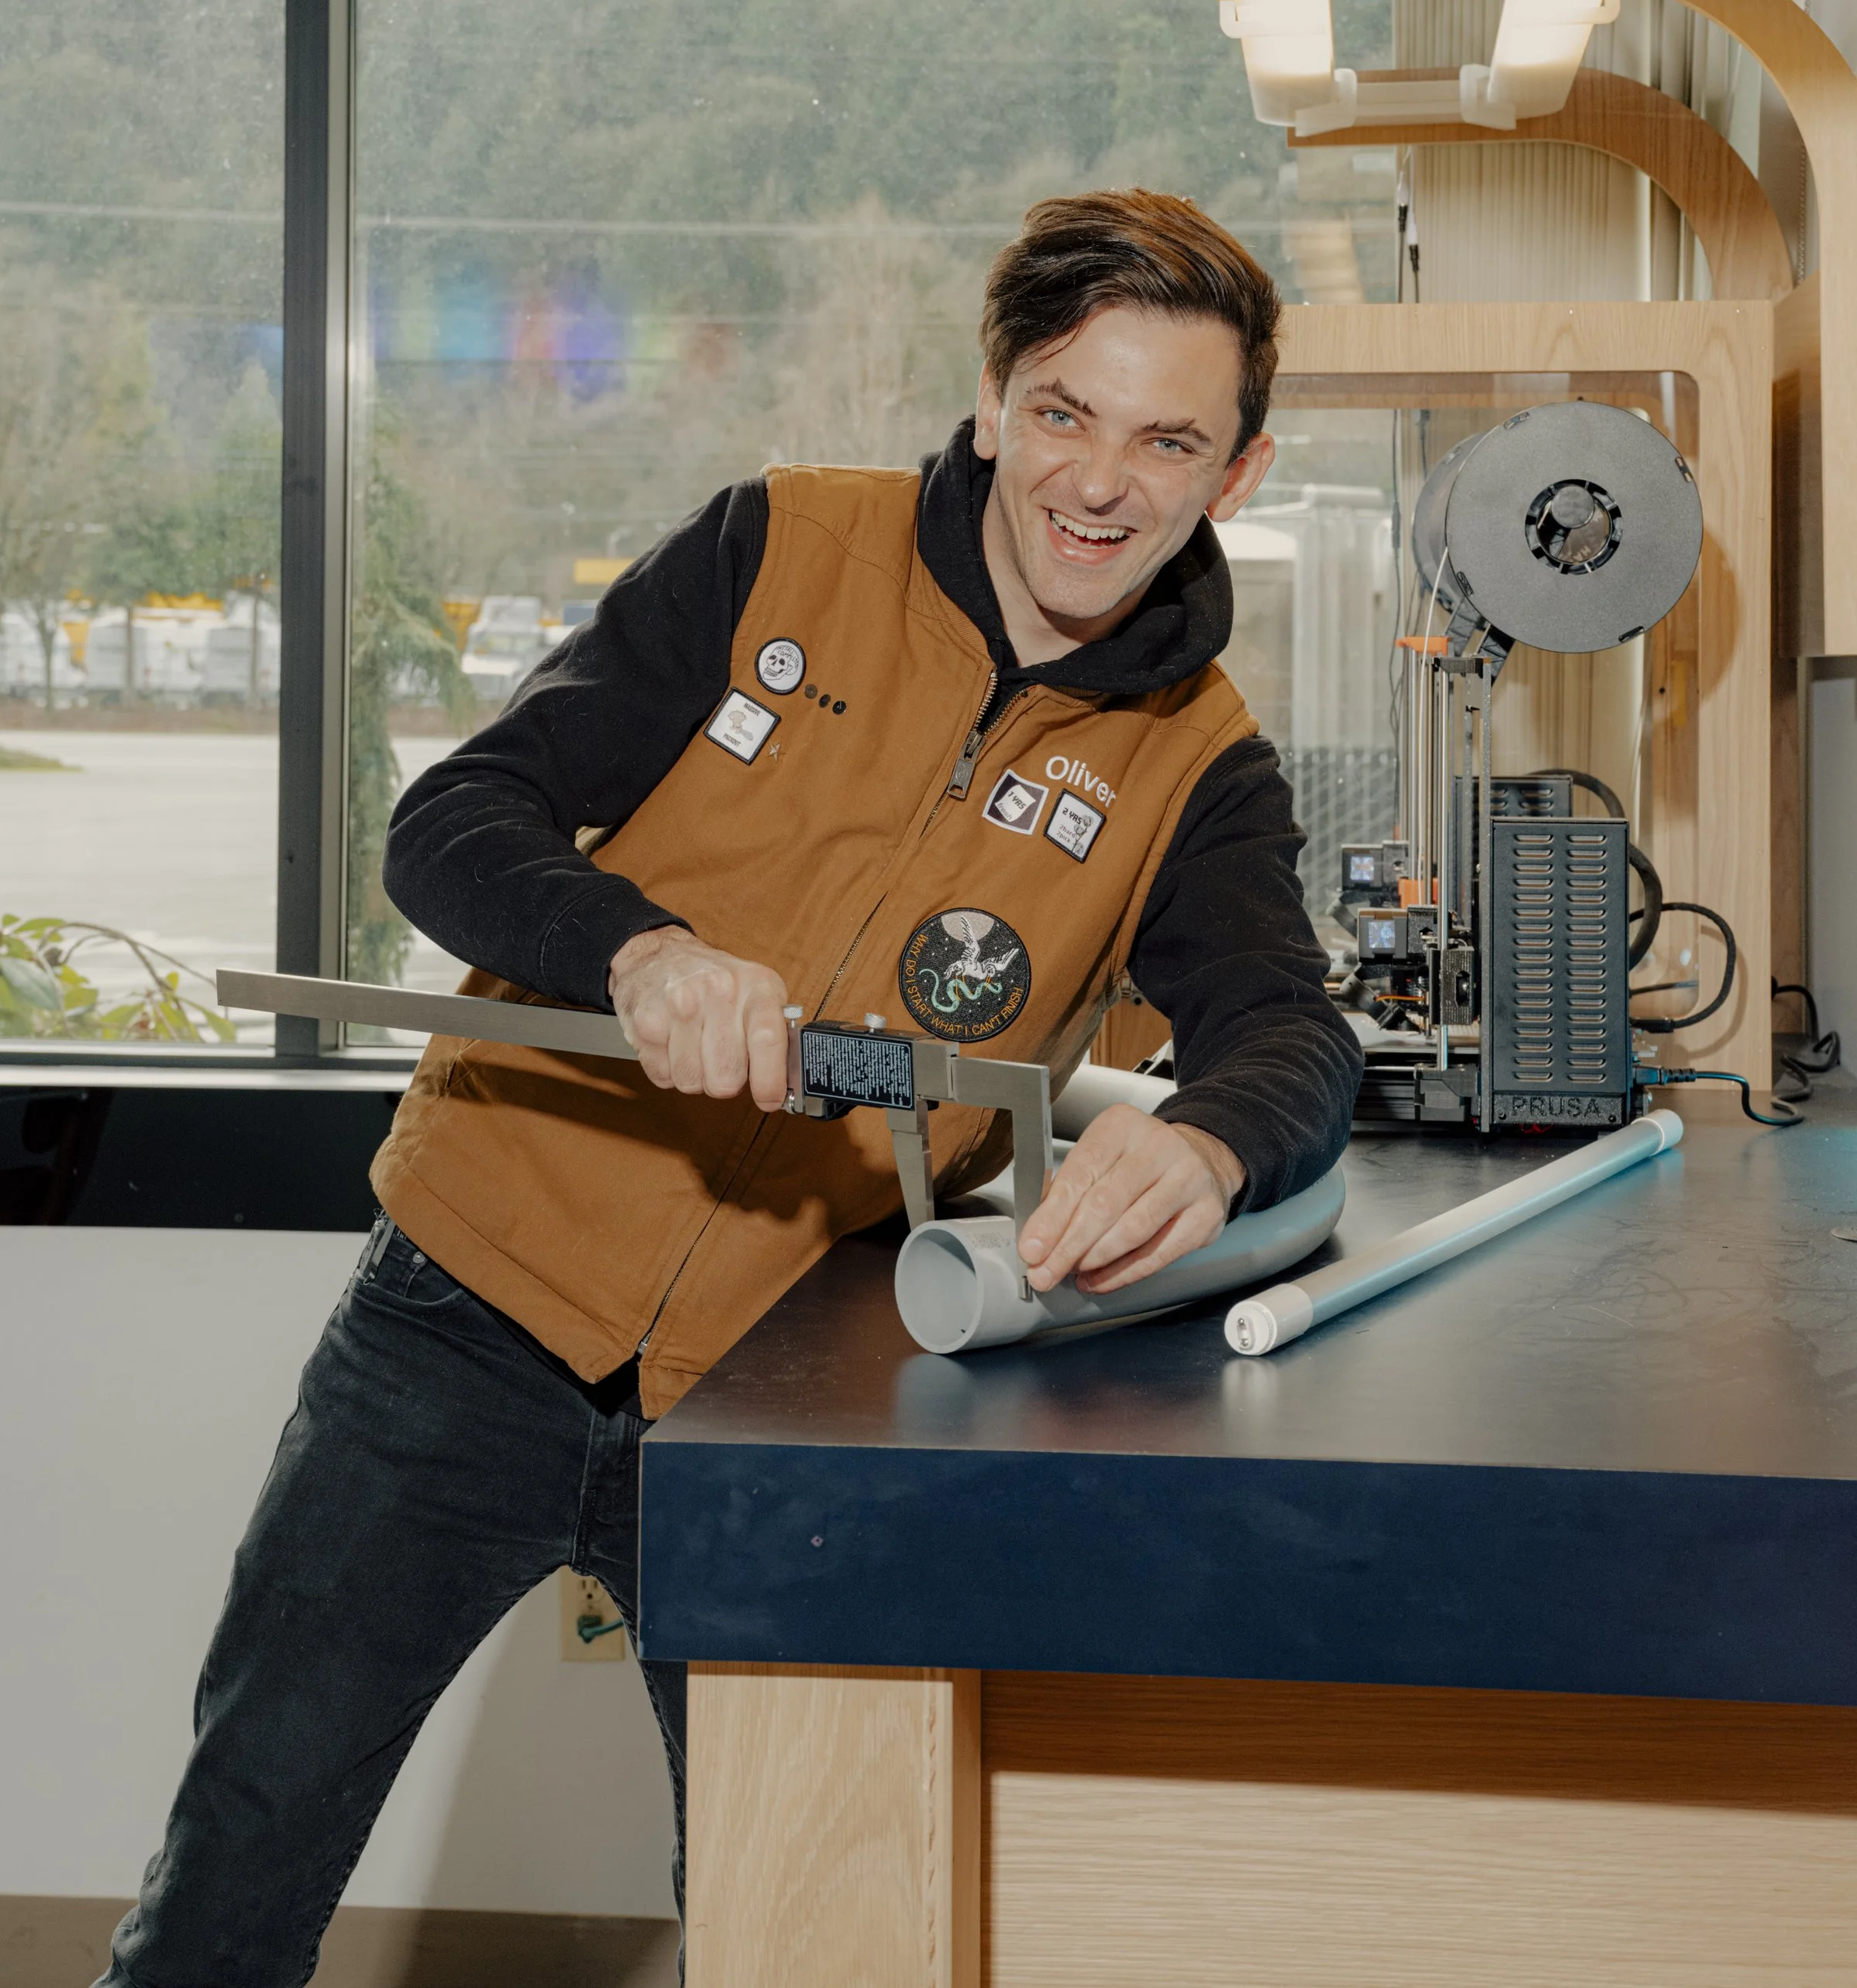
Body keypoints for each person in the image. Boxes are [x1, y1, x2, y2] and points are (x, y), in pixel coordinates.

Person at [96, 188, 1361, 1988]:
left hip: (791, 1385)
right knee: (239, 1857)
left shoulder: (1199, 760)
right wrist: (633, 948)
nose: (1099, 481)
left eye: (1167, 439)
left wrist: (1214, 1145)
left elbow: (1287, 1031)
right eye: (1065, 412)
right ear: (995, 396)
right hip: (459, 1315)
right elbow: (453, 820)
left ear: (1229, 474)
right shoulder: (777, 547)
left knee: (799, 1916)